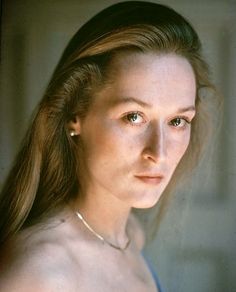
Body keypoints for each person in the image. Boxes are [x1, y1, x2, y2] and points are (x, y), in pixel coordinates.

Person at [0, 1, 220, 291]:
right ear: (74, 116)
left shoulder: (131, 234)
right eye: (134, 116)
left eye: (178, 121)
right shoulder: (39, 274)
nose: (160, 152)